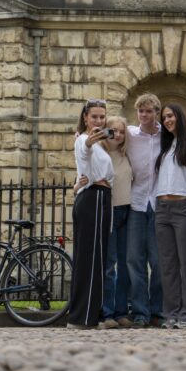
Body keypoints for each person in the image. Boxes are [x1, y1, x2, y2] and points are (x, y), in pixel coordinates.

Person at [154, 104, 186, 329]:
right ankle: (171, 314)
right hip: (161, 209)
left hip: (183, 206)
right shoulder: (164, 145)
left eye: (170, 115)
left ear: (179, 116)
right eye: (164, 117)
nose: (167, 120)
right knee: (168, 265)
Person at [69, 99, 113, 329]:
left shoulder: (101, 145)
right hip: (93, 197)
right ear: (85, 117)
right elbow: (83, 149)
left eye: (102, 117)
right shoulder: (82, 140)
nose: (98, 120)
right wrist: (88, 140)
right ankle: (83, 317)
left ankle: (88, 315)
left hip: (100, 197)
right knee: (90, 259)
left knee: (96, 258)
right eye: (94, 116)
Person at [125, 94, 164, 328]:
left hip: (159, 204)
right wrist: (82, 136)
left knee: (159, 261)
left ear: (156, 112)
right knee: (133, 260)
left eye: (148, 111)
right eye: (141, 111)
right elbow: (107, 134)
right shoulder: (130, 135)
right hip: (136, 203)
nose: (144, 115)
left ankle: (157, 310)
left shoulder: (167, 135)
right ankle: (139, 311)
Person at [98, 116, 133, 329]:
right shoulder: (99, 153)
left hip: (127, 211)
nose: (117, 135)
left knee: (125, 264)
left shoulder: (125, 153)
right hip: (108, 211)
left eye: (121, 131)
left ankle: (122, 311)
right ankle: (107, 312)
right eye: (113, 130)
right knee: (109, 265)